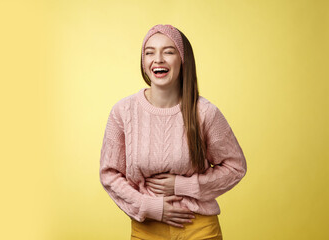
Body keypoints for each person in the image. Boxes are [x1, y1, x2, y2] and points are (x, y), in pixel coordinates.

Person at [99, 24, 247, 240]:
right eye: (150, 52)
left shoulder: (205, 112)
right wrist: (148, 205)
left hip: (199, 227)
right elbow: (109, 173)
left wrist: (184, 185)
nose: (158, 59)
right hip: (147, 229)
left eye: (168, 51)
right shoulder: (123, 112)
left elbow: (236, 167)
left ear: (183, 60)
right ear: (143, 61)